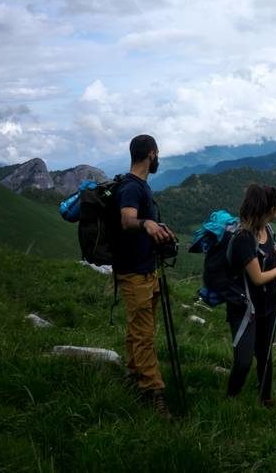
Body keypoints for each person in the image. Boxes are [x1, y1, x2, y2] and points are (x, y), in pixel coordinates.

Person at [226, 183, 276, 407]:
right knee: (243, 361)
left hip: (268, 305)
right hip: (245, 308)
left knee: (264, 353)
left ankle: (265, 397)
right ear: (270, 209)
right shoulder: (244, 238)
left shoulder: (268, 231)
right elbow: (259, 277)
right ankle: (230, 398)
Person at [116, 134, 176, 417]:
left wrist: (157, 226)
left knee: (139, 329)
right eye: (157, 154)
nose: (158, 158)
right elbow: (128, 221)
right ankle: (153, 391)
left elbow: (140, 224)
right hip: (135, 272)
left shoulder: (141, 186)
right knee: (144, 335)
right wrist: (146, 222)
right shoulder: (131, 187)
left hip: (146, 269)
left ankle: (133, 374)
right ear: (151, 154)